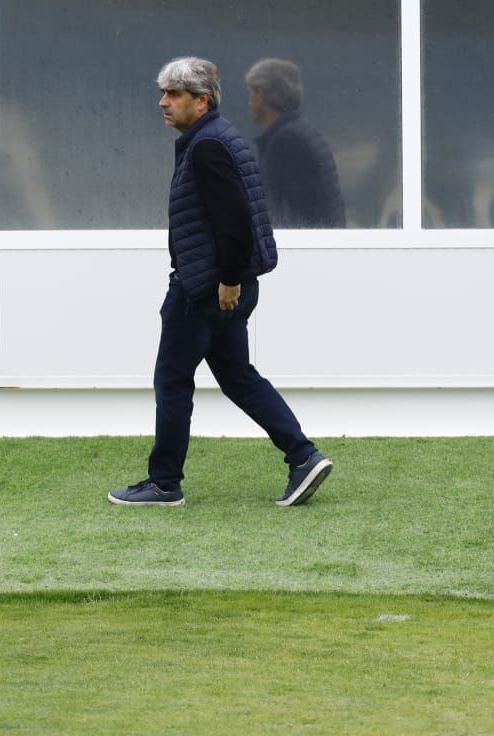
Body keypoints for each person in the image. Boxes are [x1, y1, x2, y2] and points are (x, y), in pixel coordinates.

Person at [108, 56, 334, 508]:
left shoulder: (208, 146)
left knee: (172, 379)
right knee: (237, 376)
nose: (163, 102)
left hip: (206, 288)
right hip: (224, 286)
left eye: (173, 94)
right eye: (163, 92)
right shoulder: (215, 139)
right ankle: (303, 456)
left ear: (202, 100)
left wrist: (228, 280)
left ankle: (163, 483)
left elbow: (234, 221)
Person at [245, 58, 347, 229]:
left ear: (260, 94)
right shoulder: (301, 132)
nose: (249, 100)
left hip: (306, 250)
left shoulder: (286, 142)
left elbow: (285, 215)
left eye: (251, 92)